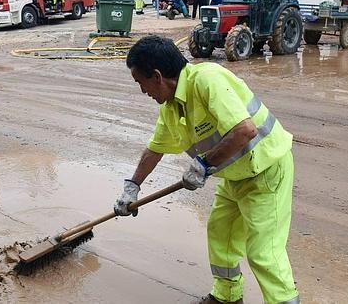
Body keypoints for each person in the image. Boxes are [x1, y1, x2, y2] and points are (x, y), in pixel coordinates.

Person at [116, 35, 300, 304]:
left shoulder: (207, 80)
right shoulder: (171, 107)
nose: (143, 91)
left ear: (156, 76)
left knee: (264, 251)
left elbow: (244, 130)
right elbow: (155, 149)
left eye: (140, 83)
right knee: (220, 234)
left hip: (266, 169)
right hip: (235, 176)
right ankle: (227, 296)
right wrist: (132, 187)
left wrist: (203, 165)